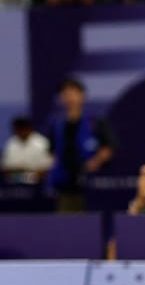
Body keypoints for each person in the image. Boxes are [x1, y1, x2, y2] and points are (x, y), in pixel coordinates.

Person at [46, 76, 115, 213]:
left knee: (91, 225)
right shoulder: (57, 124)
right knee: (66, 225)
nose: (69, 98)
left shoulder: (95, 122)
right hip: (65, 185)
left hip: (91, 185)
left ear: (82, 96)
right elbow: (52, 151)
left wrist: (95, 162)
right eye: (65, 94)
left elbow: (108, 147)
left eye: (73, 93)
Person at [0, 116, 54, 185]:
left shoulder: (42, 143)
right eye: (17, 130)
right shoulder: (11, 143)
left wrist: (28, 174)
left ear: (29, 129)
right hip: (14, 182)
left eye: (22, 130)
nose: (20, 133)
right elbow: (3, 168)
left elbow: (49, 169)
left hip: (39, 183)